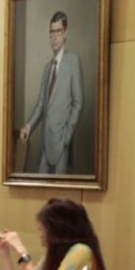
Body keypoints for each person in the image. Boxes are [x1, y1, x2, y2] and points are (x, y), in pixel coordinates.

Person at [19, 11, 83, 174]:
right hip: (46, 144)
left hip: (62, 143)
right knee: (40, 183)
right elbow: (41, 105)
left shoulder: (73, 61)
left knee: (59, 188)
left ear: (65, 33)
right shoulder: (47, 68)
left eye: (58, 31)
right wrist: (28, 126)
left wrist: (67, 136)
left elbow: (78, 103)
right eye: (51, 32)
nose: (54, 37)